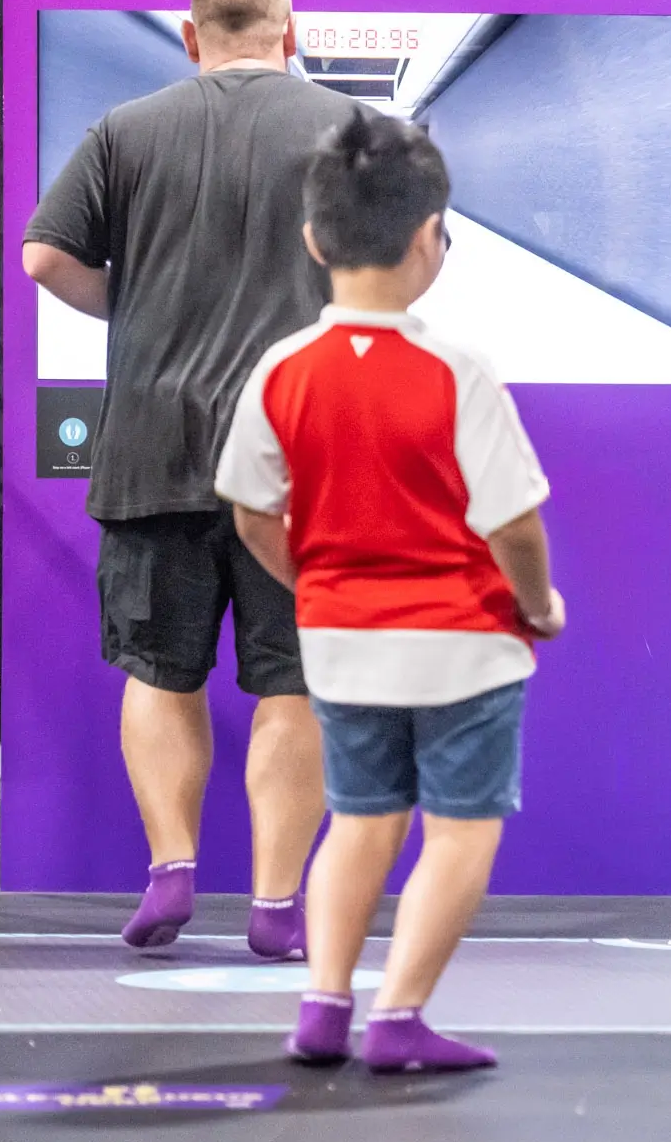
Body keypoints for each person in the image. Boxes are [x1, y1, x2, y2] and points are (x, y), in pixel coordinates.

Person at [24, 0, 365, 958]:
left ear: (191, 36)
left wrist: (128, 308)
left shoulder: (127, 129)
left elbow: (45, 257)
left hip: (152, 450)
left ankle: (171, 870)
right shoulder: (348, 133)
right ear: (290, 33)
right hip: (300, 460)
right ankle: (272, 901)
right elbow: (399, 270)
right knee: (293, 684)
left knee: (162, 674)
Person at [214, 112, 564, 1072]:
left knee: (361, 819)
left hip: (339, 640)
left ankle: (323, 1007)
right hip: (467, 644)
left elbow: (251, 515)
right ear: (428, 240)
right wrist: (537, 605)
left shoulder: (278, 372)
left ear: (314, 240)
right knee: (458, 832)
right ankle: (400, 1017)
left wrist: (316, 581)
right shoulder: (459, 371)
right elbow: (514, 525)